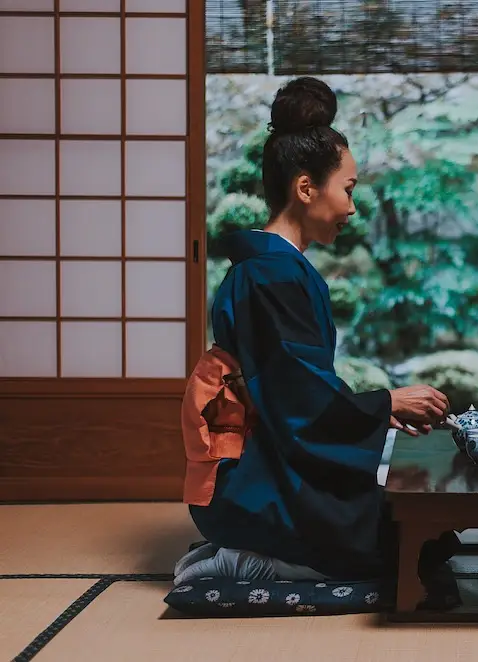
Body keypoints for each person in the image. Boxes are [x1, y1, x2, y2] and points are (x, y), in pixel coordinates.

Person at [174, 77, 458, 596]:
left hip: (268, 464)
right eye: (347, 189)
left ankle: (259, 546)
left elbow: (292, 389)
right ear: (306, 188)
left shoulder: (275, 268)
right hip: (249, 482)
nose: (352, 206)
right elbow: (296, 398)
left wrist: (378, 410)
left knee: (427, 535)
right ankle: (248, 557)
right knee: (417, 546)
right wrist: (383, 401)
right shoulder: (273, 275)